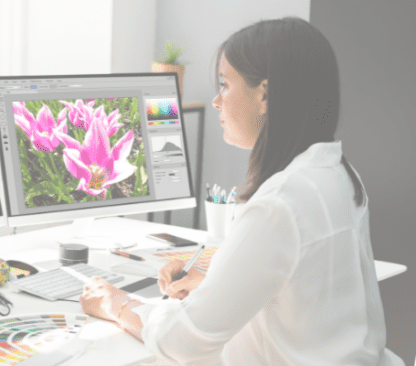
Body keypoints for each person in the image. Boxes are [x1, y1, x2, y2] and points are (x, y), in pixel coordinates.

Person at [79, 17, 404, 365]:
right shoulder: (337, 174)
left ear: (265, 94)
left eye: (225, 85)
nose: (217, 101)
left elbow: (183, 341)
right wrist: (217, 286)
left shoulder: (280, 204)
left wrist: (119, 305)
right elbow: (310, 299)